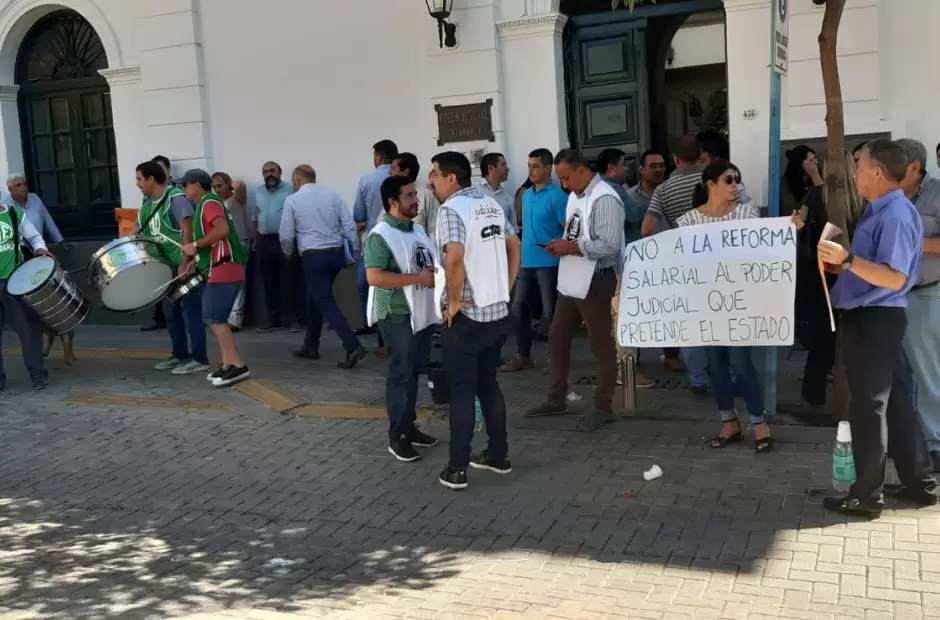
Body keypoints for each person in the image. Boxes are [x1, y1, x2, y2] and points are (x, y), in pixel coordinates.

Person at [818, 138, 937, 517]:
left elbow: (893, 276)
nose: (855, 173)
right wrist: (844, 264)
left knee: (869, 407)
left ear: (877, 172)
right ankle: (921, 482)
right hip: (872, 315)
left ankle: (866, 495)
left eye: (859, 165)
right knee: (896, 403)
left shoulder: (896, 214)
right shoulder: (880, 209)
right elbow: (875, 267)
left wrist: (849, 260)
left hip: (876, 317)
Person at [431, 151, 520, 490]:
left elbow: (454, 258)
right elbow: (515, 244)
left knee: (463, 392)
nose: (431, 180)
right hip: (496, 311)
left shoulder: (451, 209)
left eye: (435, 174)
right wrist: (506, 287)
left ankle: (456, 469)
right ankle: (498, 455)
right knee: (488, 384)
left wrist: (453, 301)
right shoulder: (489, 204)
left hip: (468, 315)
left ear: (452, 178)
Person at [525, 149, 625, 432]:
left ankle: (602, 406)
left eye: (566, 177)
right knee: (557, 338)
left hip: (597, 278)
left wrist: (573, 247)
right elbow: (576, 233)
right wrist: (562, 244)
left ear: (582, 170)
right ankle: (556, 398)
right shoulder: (574, 196)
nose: (564, 184)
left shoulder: (604, 197)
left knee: (600, 344)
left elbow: (610, 244)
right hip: (572, 277)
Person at [678, 160, 772, 452]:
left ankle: (760, 424)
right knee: (715, 365)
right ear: (711, 184)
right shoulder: (688, 221)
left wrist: (788, 227)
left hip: (739, 303)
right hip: (705, 304)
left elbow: (765, 244)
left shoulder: (747, 213)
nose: (735, 185)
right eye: (729, 180)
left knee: (741, 364)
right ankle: (728, 423)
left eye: (737, 180)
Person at [364, 175, 440, 461]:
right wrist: (418, 278)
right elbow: (374, 276)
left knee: (413, 372)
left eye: (415, 194)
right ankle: (398, 436)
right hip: (396, 314)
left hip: (420, 312)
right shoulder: (380, 235)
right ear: (393, 202)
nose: (416, 200)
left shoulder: (417, 231)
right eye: (409, 195)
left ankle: (409, 427)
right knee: (401, 374)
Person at [281, 165, 367, 368]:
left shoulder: (293, 200)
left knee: (325, 301)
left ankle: (352, 345)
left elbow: (286, 234)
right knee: (316, 298)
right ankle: (310, 346)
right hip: (335, 254)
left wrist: (288, 253)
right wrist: (354, 251)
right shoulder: (332, 195)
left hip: (313, 256)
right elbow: (348, 225)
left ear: (298, 180)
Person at [640, 136, 708, 393]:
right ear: (700, 154)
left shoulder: (663, 190)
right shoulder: (714, 180)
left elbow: (647, 230)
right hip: (718, 259)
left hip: (685, 261)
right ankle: (727, 375)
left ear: (674, 159)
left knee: (690, 322)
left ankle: (698, 380)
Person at [133, 160, 209, 376]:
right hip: (163, 267)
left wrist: (185, 263)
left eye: (139, 179)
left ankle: (199, 358)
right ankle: (180, 354)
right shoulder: (147, 203)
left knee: (190, 311)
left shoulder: (175, 198)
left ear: (151, 179)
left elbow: (188, 230)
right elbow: (136, 228)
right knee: (171, 313)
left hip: (182, 264)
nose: (137, 184)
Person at [178, 169, 250, 386]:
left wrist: (195, 245)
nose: (183, 190)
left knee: (215, 318)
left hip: (224, 267)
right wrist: (197, 258)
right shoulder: (207, 203)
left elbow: (222, 230)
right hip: (221, 266)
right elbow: (216, 239)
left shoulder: (209, 203)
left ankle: (238, 365)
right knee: (214, 318)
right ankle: (227, 363)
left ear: (196, 186)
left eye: (185, 185)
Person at [896, 139, 940, 471]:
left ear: (914, 166)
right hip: (891, 298)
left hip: (926, 295)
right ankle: (908, 442)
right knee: (899, 376)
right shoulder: (888, 196)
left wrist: (914, 242)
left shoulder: (938, 194)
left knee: (928, 376)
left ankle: (933, 445)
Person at [501, 148, 566, 372]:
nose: (531, 170)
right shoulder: (526, 195)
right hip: (525, 262)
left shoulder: (558, 196)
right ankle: (523, 355)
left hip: (549, 263)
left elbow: (569, 229)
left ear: (548, 168)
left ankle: (555, 358)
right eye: (529, 166)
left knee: (551, 313)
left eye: (535, 166)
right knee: (518, 309)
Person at [0, 201, 51, 390]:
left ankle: (37, 374)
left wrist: (40, 249)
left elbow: (34, 237)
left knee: (27, 330)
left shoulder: (13, 214)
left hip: (16, 280)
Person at [353, 139, 398, 337]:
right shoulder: (405, 181)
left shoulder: (366, 180)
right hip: (398, 239)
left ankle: (370, 321)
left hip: (373, 238)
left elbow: (358, 214)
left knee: (365, 283)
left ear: (378, 157)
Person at [253, 161, 299, 333]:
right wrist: (255, 238)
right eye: (265, 172)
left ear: (280, 172)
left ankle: (295, 320)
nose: (269, 174)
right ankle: (273, 320)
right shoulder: (259, 191)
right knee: (268, 282)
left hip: (284, 240)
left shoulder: (290, 190)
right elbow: (255, 215)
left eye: (272, 171)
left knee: (290, 281)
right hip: (264, 240)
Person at [211, 173, 254, 331]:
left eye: (220, 185)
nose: (217, 189)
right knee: (225, 281)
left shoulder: (237, 199)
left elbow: (240, 185)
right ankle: (226, 316)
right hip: (222, 244)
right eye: (214, 186)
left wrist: (229, 185)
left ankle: (236, 318)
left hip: (239, 242)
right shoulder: (215, 202)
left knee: (238, 281)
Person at [1, 174, 66, 253]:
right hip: (19, 251)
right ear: (10, 189)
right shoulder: (5, 207)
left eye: (25, 184)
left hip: (39, 247)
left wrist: (60, 241)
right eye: (18, 185)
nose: (23, 187)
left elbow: (48, 220)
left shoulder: (34, 198)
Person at [477, 152, 517, 228]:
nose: (507, 168)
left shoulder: (507, 197)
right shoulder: (473, 192)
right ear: (490, 168)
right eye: (503, 164)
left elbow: (513, 228)